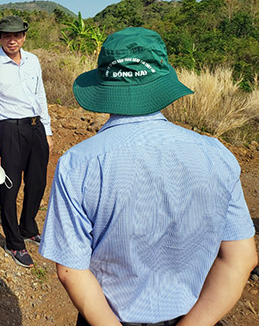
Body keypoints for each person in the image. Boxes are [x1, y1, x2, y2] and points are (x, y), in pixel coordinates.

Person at [39, 27, 258, 326]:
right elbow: (241, 258)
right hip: (195, 315)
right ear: (162, 82)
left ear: (104, 83)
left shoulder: (78, 163)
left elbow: (70, 270)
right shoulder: (216, 154)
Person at [0, 15, 53, 267]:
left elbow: (40, 95)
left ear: (24, 36)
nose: (13, 40)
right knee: (10, 188)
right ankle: (13, 242)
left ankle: (28, 227)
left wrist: (47, 130)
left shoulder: (33, 61)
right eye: (7, 36)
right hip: (8, 130)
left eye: (18, 35)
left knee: (37, 181)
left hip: (35, 128)